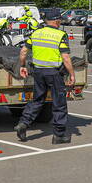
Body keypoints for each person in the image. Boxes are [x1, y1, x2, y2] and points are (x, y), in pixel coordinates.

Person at [14, 15, 76, 144]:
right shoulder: (60, 35)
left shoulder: (36, 33)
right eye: (59, 20)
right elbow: (65, 57)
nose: (60, 22)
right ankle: (59, 136)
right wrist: (72, 74)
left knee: (37, 100)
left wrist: (23, 66)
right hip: (54, 73)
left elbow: (23, 52)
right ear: (56, 20)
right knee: (59, 103)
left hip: (38, 72)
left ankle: (23, 123)